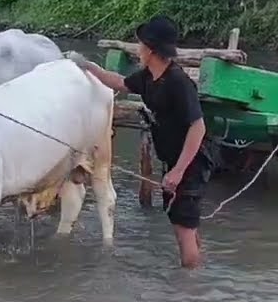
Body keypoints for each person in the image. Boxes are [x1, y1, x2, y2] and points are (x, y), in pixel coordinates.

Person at [69, 15, 212, 268]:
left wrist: (178, 172)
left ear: (152, 50)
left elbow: (198, 127)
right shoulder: (148, 77)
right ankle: (197, 274)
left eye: (141, 45)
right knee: (184, 225)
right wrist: (88, 66)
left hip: (189, 164)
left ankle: (191, 294)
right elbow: (119, 82)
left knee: (183, 229)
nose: (138, 49)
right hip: (172, 160)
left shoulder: (178, 83)